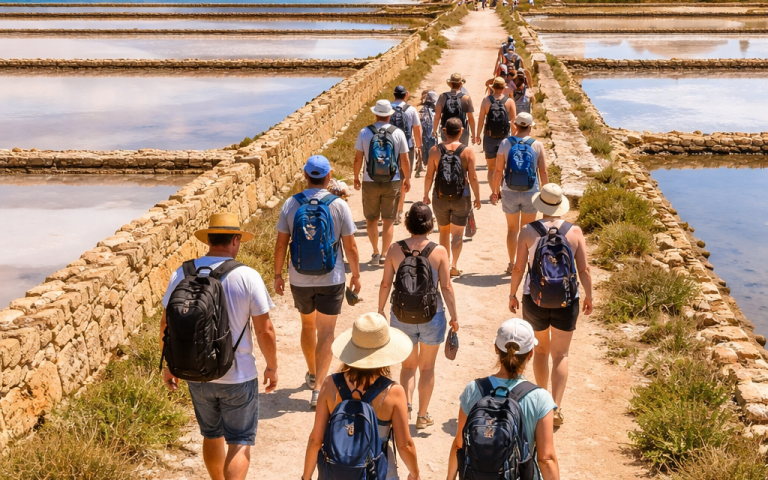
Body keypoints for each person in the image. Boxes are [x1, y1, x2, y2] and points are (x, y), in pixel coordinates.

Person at [161, 212, 278, 480]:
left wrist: (170, 367)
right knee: (239, 441)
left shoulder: (182, 272)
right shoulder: (247, 276)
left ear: (209, 240)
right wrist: (272, 366)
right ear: (235, 240)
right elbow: (265, 329)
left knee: (211, 434)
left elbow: (165, 326)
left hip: (197, 372)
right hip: (238, 376)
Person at [274, 155, 361, 407]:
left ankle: (312, 373)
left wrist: (278, 274)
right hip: (330, 277)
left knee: (307, 326)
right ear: (329, 176)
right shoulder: (338, 205)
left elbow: (281, 243)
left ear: (305, 176)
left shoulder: (291, 204)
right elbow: (351, 245)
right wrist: (355, 274)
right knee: (326, 331)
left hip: (299, 278)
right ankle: (318, 388)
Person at [509, 183, 593, 428]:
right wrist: (589, 296)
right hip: (567, 301)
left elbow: (517, 268)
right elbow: (584, 269)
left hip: (534, 299)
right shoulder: (574, 232)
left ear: (540, 204)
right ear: (560, 205)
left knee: (541, 351)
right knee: (561, 354)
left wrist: (512, 293)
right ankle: (555, 408)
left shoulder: (528, 231)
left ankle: (539, 405)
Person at [302, 312, 421, 480]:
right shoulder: (394, 392)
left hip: (336, 472)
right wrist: (415, 474)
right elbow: (405, 445)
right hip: (377, 473)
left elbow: (316, 440)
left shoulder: (330, 385)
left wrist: (305, 477)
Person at [378, 202, 459, 429]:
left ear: (407, 223)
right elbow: (447, 287)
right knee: (427, 368)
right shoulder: (439, 251)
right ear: (431, 224)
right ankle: (422, 416)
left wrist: (380, 309)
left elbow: (386, 284)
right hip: (432, 315)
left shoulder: (394, 249)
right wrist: (454, 316)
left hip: (401, 315)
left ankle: (405, 408)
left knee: (407, 367)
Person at [447, 318, 560, 480]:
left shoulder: (473, 389)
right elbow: (546, 458)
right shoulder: (540, 398)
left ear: (496, 349)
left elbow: (459, 444)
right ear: (530, 354)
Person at [354, 99, 411, 266]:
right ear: (389, 115)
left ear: (375, 113)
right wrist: (406, 179)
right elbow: (405, 161)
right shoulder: (398, 133)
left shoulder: (365, 132)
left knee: (371, 220)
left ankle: (375, 252)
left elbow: (358, 158)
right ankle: (385, 254)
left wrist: (356, 177)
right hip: (392, 180)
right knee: (388, 220)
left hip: (369, 180)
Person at [491, 112, 549, 275]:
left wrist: (495, 191)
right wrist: (546, 194)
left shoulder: (505, 143)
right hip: (531, 191)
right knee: (529, 229)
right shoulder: (537, 145)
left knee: (512, 229)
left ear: (515, 125)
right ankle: (528, 264)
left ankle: (512, 263)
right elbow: (543, 172)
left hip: (509, 191)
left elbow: (497, 170)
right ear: (530, 127)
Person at [423, 118, 481, 276]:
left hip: (440, 197)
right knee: (457, 234)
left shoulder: (435, 150)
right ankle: (454, 266)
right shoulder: (467, 151)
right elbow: (473, 177)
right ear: (461, 131)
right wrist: (477, 197)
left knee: (443, 233)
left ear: (445, 131)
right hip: (461, 198)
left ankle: (444, 265)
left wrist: (426, 194)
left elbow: (429, 175)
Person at [476, 77, 516, 196]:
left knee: (492, 168)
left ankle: (494, 191)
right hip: (504, 139)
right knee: (504, 167)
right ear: (504, 88)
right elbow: (514, 123)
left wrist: (477, 135)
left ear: (492, 87)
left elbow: (481, 120)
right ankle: (502, 190)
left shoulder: (486, 101)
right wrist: (514, 139)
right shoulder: (509, 102)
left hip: (489, 139)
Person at [391, 85, 423, 225]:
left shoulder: (387, 108)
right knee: (403, 179)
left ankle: (389, 210)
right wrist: (419, 147)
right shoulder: (411, 110)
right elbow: (417, 129)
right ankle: (399, 212)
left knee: (390, 179)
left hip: (389, 149)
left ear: (394, 95)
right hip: (407, 148)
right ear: (406, 95)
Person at [433, 73, 476, 148]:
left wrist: (434, 131)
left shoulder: (442, 97)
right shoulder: (466, 98)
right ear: (460, 84)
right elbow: (470, 118)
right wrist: (474, 135)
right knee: (461, 153)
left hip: (446, 130)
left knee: (446, 152)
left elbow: (437, 116)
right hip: (461, 131)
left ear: (450, 84)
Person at [416, 90, 439, 179]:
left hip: (424, 136)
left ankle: (424, 168)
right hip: (431, 136)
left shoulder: (422, 110)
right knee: (432, 154)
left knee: (425, 152)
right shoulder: (433, 110)